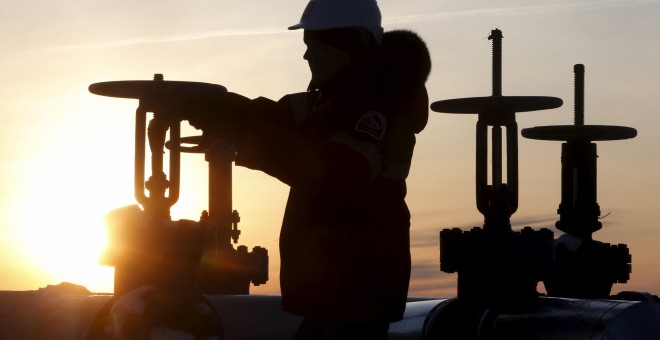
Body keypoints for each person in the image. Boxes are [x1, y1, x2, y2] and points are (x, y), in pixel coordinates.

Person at [183, 0, 431, 338]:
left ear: (347, 44)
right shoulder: (333, 101)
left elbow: (326, 173)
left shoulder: (376, 112)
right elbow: (275, 119)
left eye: (315, 45)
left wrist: (235, 129)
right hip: (340, 298)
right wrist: (212, 109)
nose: (306, 56)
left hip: (355, 296)